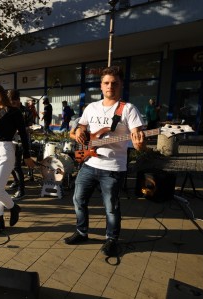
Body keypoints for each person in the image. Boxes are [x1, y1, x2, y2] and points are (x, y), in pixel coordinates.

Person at [64, 67, 146, 257]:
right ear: (101, 86)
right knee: (78, 200)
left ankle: (111, 240)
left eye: (114, 83)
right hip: (89, 163)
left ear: (121, 85)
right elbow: (81, 125)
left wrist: (140, 144)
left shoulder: (128, 109)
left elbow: (140, 142)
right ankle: (82, 232)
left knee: (111, 208)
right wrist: (78, 132)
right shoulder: (91, 107)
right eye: (107, 83)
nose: (110, 86)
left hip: (113, 168)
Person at [0, 84, 36, 236]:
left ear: (2, 93)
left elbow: (24, 135)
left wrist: (26, 155)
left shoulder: (14, 111)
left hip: (6, 149)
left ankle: (13, 207)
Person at [7, 89, 33, 200]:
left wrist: (23, 129)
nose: (12, 104)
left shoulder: (26, 111)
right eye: (10, 102)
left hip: (21, 142)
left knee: (17, 166)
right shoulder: (8, 110)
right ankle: (16, 181)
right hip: (9, 141)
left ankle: (21, 191)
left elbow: (31, 126)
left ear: (18, 100)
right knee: (10, 165)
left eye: (13, 102)